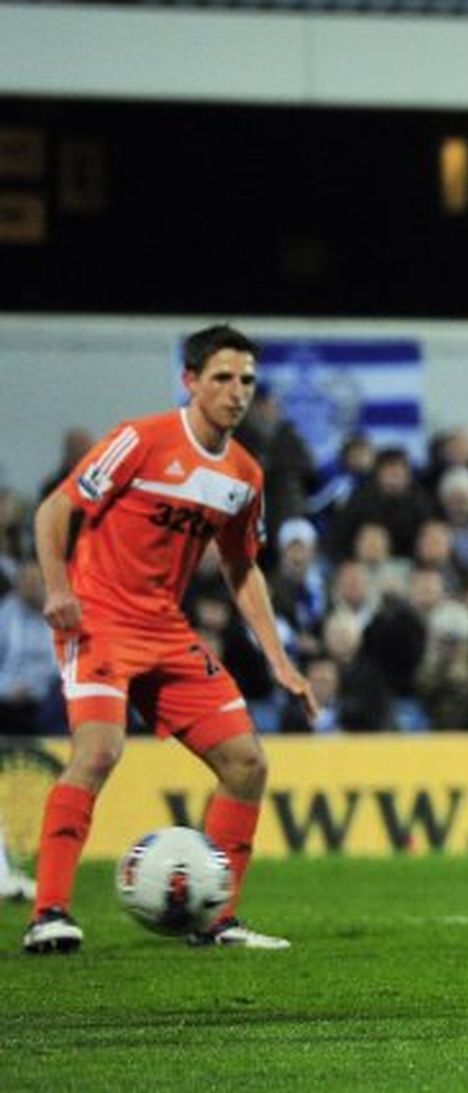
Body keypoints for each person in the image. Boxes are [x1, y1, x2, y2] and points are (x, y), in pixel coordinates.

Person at [23, 324, 317, 955]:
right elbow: (54, 510)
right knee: (98, 751)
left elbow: (242, 570)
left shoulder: (243, 475)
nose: (236, 393)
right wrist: (58, 589)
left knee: (247, 764)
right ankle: (49, 912)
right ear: (189, 381)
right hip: (98, 618)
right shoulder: (140, 440)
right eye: (222, 378)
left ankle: (217, 922)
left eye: (246, 381)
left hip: (165, 630)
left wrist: (280, 660)